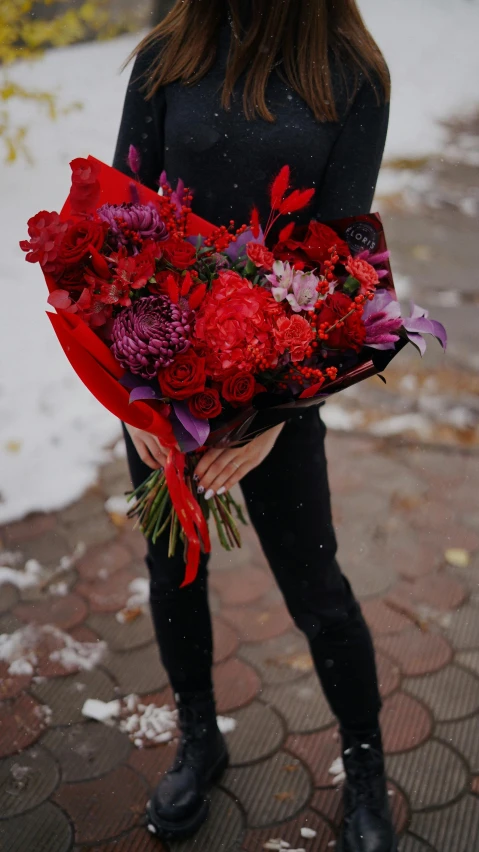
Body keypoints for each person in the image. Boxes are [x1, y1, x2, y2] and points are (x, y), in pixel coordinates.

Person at [113, 1, 396, 849]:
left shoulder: (351, 74)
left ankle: (366, 765)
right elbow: (119, 224)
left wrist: (279, 418)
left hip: (275, 389)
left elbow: (337, 258)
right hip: (160, 384)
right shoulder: (168, 50)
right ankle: (199, 738)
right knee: (175, 571)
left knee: (319, 592)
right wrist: (134, 399)